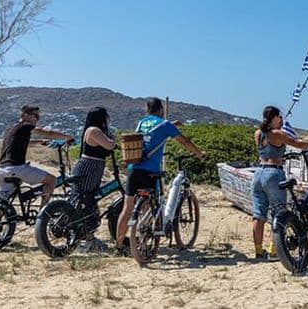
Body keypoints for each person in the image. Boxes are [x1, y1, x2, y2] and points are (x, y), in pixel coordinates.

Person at [114, 97, 206, 256]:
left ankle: (119, 246)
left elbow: (152, 133)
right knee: (153, 202)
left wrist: (172, 125)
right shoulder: (165, 125)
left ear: (147, 110)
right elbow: (183, 141)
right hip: (150, 170)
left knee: (127, 208)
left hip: (133, 168)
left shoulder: (141, 123)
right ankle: (148, 240)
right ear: (161, 109)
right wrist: (199, 153)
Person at [251, 105, 308, 259]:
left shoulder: (258, 133)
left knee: (258, 215)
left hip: (258, 173)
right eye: (280, 117)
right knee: (279, 213)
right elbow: (298, 144)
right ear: (274, 118)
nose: (282, 120)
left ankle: (259, 251)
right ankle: (275, 251)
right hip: (273, 173)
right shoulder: (277, 134)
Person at [0, 105, 75, 208]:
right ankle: (43, 215)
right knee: (51, 180)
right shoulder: (25, 126)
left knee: (3, 203)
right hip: (17, 168)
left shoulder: (11, 128)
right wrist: (67, 137)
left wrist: (40, 142)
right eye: (35, 116)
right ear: (25, 115)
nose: (37, 119)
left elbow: (23, 142)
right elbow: (47, 133)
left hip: (2, 170)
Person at [70, 107, 115, 244]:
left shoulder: (92, 130)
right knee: (86, 199)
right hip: (89, 167)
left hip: (93, 167)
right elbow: (109, 145)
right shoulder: (94, 131)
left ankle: (86, 234)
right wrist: (114, 139)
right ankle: (86, 235)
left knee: (87, 199)